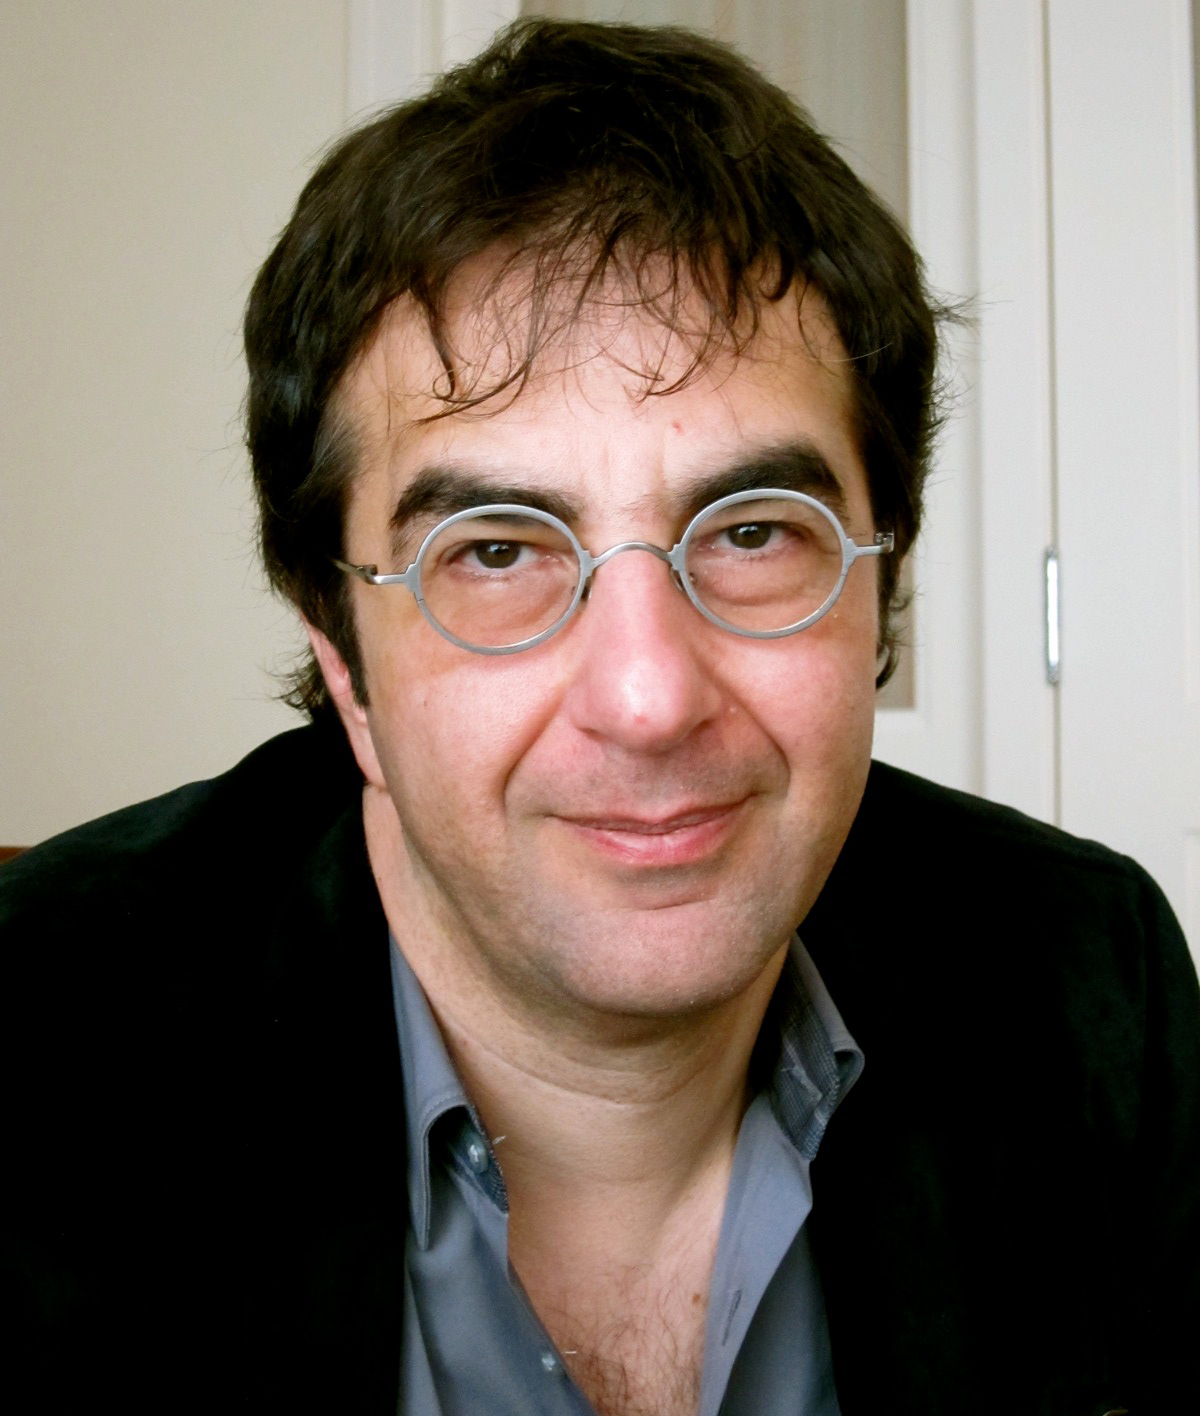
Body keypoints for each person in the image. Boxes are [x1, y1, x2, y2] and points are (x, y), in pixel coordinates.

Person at [4, 18, 1197, 1415]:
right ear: (345, 663)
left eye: (752, 531)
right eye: (497, 552)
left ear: (882, 584)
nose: (648, 699)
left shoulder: (1082, 980)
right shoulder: (40, 1036)